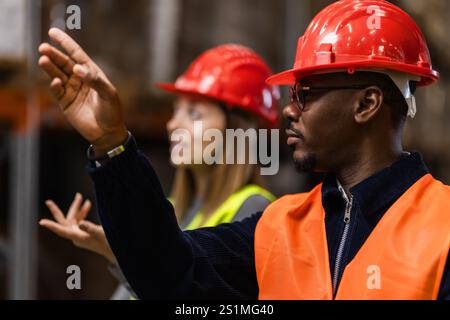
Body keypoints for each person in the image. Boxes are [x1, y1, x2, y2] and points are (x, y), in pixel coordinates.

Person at [38, 0, 450, 300]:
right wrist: (113, 145)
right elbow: (168, 273)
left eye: (305, 93)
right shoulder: (277, 227)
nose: (289, 110)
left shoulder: (442, 226)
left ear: (367, 104)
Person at [38, 45, 278, 299]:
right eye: (176, 110)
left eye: (194, 113)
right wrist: (120, 252)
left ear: (237, 129)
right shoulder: (169, 210)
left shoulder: (257, 211)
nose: (173, 124)